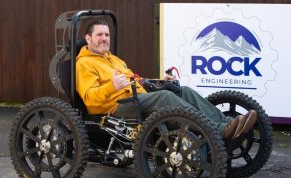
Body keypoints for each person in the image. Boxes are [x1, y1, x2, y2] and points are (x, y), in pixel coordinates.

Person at [76, 19, 257, 142]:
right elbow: (90, 99)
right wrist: (111, 86)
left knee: (181, 90)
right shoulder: (84, 64)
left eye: (107, 35)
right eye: (99, 35)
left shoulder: (113, 59)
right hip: (114, 108)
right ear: (88, 38)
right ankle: (217, 131)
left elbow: (137, 80)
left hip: (135, 97)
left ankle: (227, 124)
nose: (104, 39)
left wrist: (161, 81)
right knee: (163, 97)